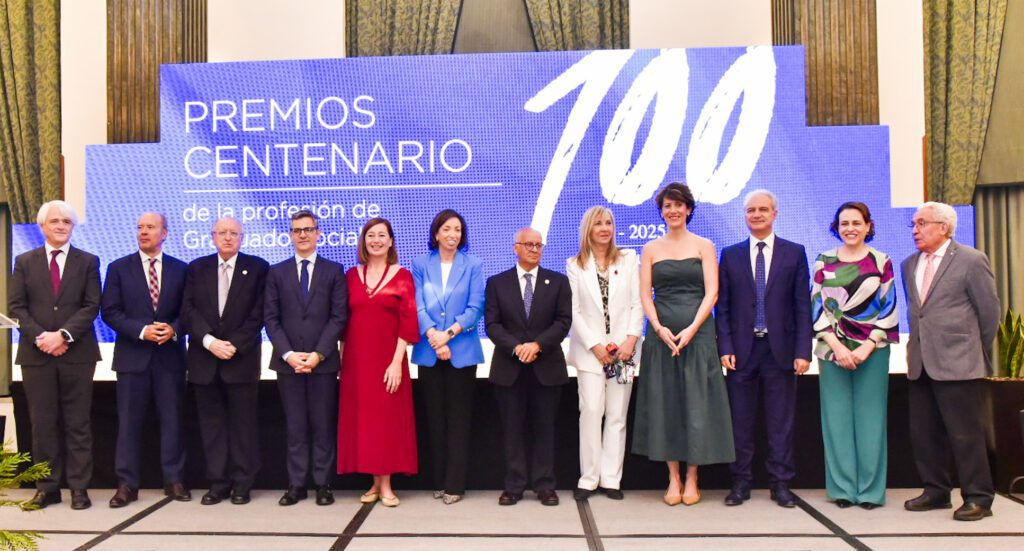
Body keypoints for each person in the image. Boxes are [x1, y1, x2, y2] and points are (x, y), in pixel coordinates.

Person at [632, 183, 734, 506]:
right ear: (661, 211)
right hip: (661, 336)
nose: (673, 210)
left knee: (696, 403)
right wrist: (658, 328)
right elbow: (645, 294)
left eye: (678, 205)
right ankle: (673, 477)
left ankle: (692, 477)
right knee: (666, 402)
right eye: (667, 206)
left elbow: (712, 293)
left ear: (688, 209)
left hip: (698, 335)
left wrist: (691, 329)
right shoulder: (650, 248)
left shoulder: (704, 245)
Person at [901, 202, 1000, 522]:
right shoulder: (908, 263)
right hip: (921, 362)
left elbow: (989, 313)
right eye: (914, 224)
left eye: (922, 223)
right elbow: (918, 313)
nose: (915, 230)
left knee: (966, 434)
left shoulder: (971, 260)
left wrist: (971, 350)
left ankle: (978, 497)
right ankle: (936, 491)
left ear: (943, 227)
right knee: (925, 433)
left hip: (959, 362)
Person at [716, 189, 812, 508]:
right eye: (751, 210)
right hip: (741, 351)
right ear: (745, 216)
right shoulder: (730, 255)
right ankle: (740, 482)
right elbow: (723, 307)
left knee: (780, 422)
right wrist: (725, 346)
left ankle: (780, 483)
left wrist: (803, 351)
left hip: (780, 351)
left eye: (762, 209)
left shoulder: (794, 253)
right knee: (740, 421)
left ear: (774, 214)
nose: (756, 214)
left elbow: (802, 306)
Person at [8, 200, 101, 510]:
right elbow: (16, 306)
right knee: (42, 424)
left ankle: (79, 489)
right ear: (42, 227)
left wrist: (63, 335)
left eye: (66, 222)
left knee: (78, 424)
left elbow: (91, 305)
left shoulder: (88, 261)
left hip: (78, 354)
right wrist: (42, 337)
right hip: (37, 356)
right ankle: (47, 488)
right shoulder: (24, 261)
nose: (61, 226)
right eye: (55, 221)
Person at [811, 202, 898, 510]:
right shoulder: (823, 261)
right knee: (836, 420)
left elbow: (889, 306)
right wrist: (837, 347)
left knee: (871, 420)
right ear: (837, 227)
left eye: (856, 223)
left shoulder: (881, 261)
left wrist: (866, 347)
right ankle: (843, 489)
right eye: (844, 223)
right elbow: (816, 306)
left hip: (872, 351)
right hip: (831, 350)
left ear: (868, 226)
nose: (850, 228)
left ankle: (870, 491)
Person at [101, 212, 191, 507]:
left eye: (150, 227)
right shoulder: (118, 268)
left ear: (164, 233)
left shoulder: (181, 269)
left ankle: (174, 480)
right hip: (132, 358)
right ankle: (126, 485)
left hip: (170, 358)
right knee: (129, 424)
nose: (143, 232)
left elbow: (189, 311)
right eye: (140, 227)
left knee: (173, 421)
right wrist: (141, 331)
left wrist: (174, 329)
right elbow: (110, 312)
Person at [181, 217, 269, 506]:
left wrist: (234, 344)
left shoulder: (258, 268)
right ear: (212, 236)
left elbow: (260, 312)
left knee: (243, 426)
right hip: (204, 360)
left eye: (234, 233)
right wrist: (209, 341)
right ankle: (217, 483)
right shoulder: (196, 268)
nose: (228, 237)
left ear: (242, 237)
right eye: (222, 233)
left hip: (240, 359)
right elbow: (188, 310)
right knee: (212, 427)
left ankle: (243, 483)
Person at [264, 210, 347, 507]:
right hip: (288, 364)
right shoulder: (276, 272)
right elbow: (271, 318)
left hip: (322, 364)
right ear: (290, 235)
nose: (302, 235)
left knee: (322, 426)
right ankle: (296, 485)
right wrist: (288, 354)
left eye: (308, 229)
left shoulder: (334, 271)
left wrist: (318, 354)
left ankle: (323, 485)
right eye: (297, 230)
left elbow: (338, 317)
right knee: (295, 427)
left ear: (318, 233)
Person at [485, 228, 572, 506]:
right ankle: (514, 485)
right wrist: (517, 347)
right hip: (509, 369)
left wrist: (537, 345)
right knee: (512, 430)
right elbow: (492, 324)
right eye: (529, 244)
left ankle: (545, 486)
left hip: (546, 367)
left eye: (538, 245)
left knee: (545, 429)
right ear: (516, 248)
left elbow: (563, 321)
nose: (535, 249)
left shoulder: (558, 282)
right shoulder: (497, 283)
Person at [337, 217, 419, 507]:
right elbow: (343, 322)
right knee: (365, 423)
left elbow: (408, 321)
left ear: (391, 241)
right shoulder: (350, 275)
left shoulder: (403, 276)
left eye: (382, 235)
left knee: (386, 423)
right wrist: (341, 360)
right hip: (356, 363)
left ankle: (386, 484)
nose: (376, 240)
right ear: (364, 241)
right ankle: (374, 482)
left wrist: (397, 362)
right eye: (371, 235)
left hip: (389, 361)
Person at [566, 206, 643, 502]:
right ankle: (589, 479)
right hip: (590, 353)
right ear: (588, 229)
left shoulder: (628, 259)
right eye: (598, 223)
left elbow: (637, 303)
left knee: (617, 415)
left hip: (624, 352)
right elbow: (573, 311)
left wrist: (630, 340)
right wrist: (595, 345)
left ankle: (611, 479)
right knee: (591, 411)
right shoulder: (575, 265)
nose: (604, 228)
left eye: (608, 223)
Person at [411, 210, 485, 505]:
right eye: (447, 229)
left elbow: (476, 307)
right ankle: (439, 481)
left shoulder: (473, 264)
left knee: (459, 420)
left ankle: (455, 484)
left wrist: (448, 334)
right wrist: (433, 336)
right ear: (436, 233)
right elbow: (417, 305)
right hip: (429, 351)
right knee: (434, 419)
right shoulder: (420, 264)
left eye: (457, 230)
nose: (453, 234)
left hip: (461, 351)